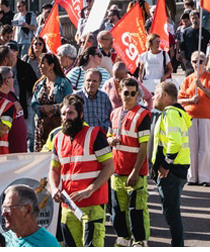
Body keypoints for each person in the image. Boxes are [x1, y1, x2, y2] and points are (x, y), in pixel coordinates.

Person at [48, 94, 114, 247]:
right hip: (68, 206)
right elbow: (54, 169)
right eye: (64, 114)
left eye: (71, 113)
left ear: (81, 114)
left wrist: (90, 189)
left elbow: (110, 166)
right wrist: (53, 188)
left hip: (93, 204)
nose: (66, 117)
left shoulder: (95, 134)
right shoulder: (58, 138)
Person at [108, 78, 152, 246]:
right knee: (118, 212)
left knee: (137, 210)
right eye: (126, 93)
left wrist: (135, 171)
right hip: (117, 170)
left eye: (133, 93)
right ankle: (123, 240)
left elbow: (143, 147)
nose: (129, 96)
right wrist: (110, 139)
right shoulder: (115, 113)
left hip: (135, 172)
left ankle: (140, 242)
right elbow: (109, 133)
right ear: (120, 92)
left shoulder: (142, 115)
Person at [150, 80, 191, 247]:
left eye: (156, 94)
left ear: (165, 95)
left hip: (172, 172)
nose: (153, 97)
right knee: (171, 211)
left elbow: (174, 143)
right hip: (176, 170)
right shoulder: (174, 113)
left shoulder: (170, 114)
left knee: (172, 213)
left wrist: (165, 165)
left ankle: (177, 246)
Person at [178, 51, 210, 186]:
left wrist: (202, 87)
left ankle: (204, 177)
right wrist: (190, 100)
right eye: (194, 61)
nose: (197, 64)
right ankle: (192, 176)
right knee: (191, 147)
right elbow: (180, 99)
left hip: (206, 116)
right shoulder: (188, 79)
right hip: (190, 117)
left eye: (200, 61)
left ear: (205, 63)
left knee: (204, 148)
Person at [31, 53, 74, 151]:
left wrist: (53, 108)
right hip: (41, 128)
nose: (40, 66)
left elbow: (70, 103)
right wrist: (41, 109)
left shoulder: (64, 83)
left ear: (52, 65)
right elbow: (34, 103)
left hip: (58, 126)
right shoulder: (39, 85)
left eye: (43, 63)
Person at [77, 68, 113, 133]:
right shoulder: (76, 97)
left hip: (101, 136)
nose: (91, 83)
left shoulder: (104, 97)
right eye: (88, 80)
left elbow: (111, 117)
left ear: (99, 83)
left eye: (94, 81)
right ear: (84, 81)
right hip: (82, 135)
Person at [179, 11, 210, 76]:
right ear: (190, 20)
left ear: (199, 18)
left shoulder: (205, 32)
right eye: (193, 18)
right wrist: (185, 61)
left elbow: (209, 47)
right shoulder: (186, 32)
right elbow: (182, 47)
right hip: (190, 62)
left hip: (202, 61)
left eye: (196, 18)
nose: (194, 20)